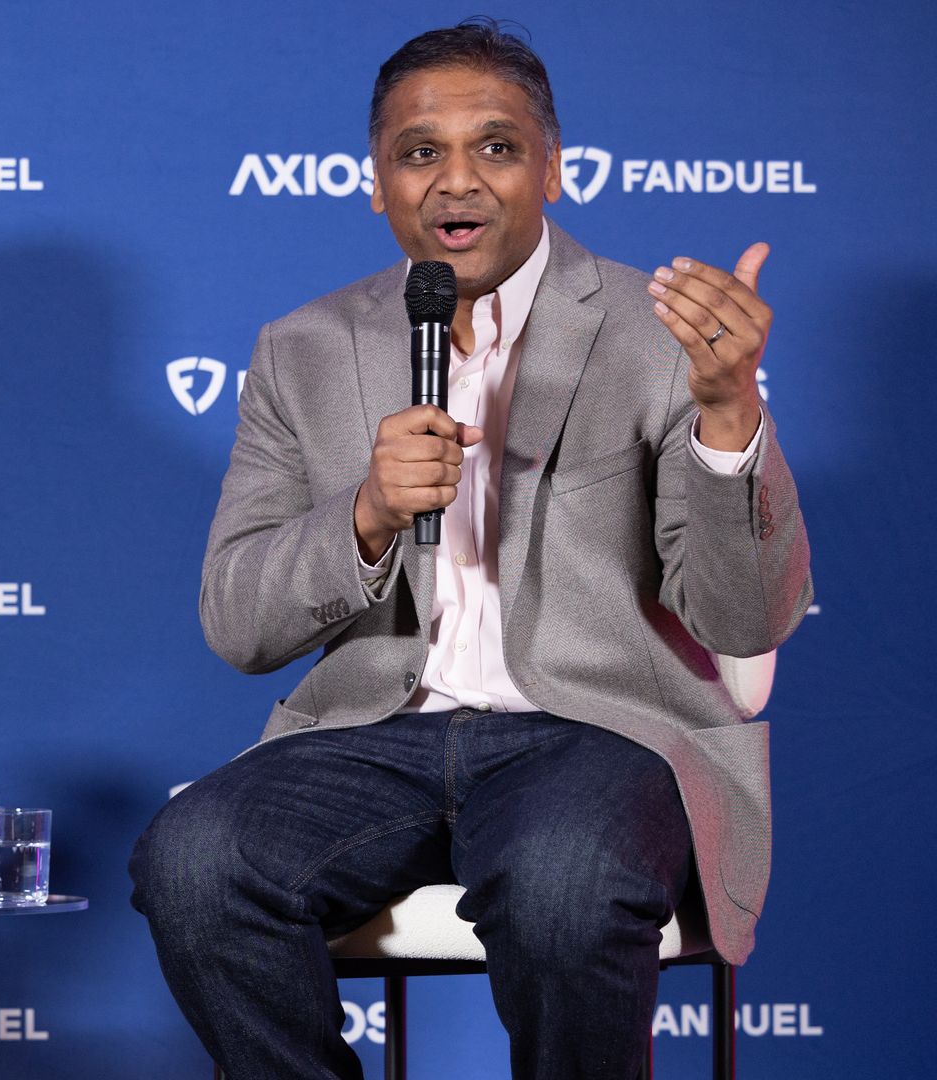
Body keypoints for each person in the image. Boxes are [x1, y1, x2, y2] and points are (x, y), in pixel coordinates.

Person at [129, 20, 810, 1080]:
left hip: (599, 735)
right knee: (194, 859)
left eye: (496, 146)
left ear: (553, 169)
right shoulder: (303, 349)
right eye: (419, 152)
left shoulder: (660, 335)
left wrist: (729, 418)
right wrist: (365, 514)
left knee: (562, 881)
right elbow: (238, 623)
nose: (458, 179)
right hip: (373, 735)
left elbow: (746, 617)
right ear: (376, 183)